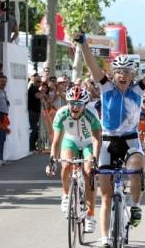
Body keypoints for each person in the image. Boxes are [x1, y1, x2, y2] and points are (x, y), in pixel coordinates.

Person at [76, 30, 145, 248]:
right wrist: (83, 43)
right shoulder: (105, 86)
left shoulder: (138, 90)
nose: (122, 75)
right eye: (118, 72)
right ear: (113, 74)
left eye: (126, 72)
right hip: (108, 142)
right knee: (106, 196)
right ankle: (104, 238)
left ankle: (136, 204)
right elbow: (92, 64)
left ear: (132, 75)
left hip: (130, 140)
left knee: (136, 169)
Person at [46, 86, 101, 233]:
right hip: (70, 141)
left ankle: (90, 216)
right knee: (66, 165)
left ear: (85, 104)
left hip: (89, 142)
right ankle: (65, 195)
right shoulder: (62, 113)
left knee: (89, 173)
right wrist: (52, 159)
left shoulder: (92, 114)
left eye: (78, 104)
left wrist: (95, 158)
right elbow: (56, 140)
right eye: (71, 103)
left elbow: (97, 139)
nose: (74, 107)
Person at [28, 73, 45, 152]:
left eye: (40, 82)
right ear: (33, 81)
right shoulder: (32, 88)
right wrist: (43, 92)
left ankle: (33, 147)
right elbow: (38, 96)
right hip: (32, 112)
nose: (39, 83)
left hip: (36, 112)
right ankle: (31, 148)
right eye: (38, 81)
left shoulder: (37, 89)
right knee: (33, 129)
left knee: (35, 130)